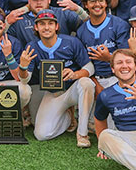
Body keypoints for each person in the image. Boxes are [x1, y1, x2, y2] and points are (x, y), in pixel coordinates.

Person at [26, 9, 96, 147]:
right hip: (52, 93)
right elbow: (25, 79)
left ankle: (82, 134)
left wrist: (75, 74)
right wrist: (22, 67)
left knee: (86, 83)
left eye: (50, 23)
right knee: (41, 134)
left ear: (57, 26)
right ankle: (68, 117)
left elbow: (90, 68)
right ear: (36, 27)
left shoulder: (71, 42)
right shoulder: (32, 47)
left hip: (73, 90)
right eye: (42, 24)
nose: (46, 27)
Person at [75, 0, 130, 92]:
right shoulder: (81, 31)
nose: (97, 4)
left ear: (106, 3)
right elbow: (84, 65)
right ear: (85, 5)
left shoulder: (119, 24)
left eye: (101, 0)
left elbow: (128, 59)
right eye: (92, 1)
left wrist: (109, 58)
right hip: (95, 81)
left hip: (119, 78)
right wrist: (96, 85)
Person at [6, 0, 84, 47]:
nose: (39, 2)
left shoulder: (63, 13)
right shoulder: (19, 20)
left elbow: (88, 25)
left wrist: (78, 9)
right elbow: (0, 38)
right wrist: (7, 23)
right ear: (29, 2)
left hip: (63, 59)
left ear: (49, 0)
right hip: (32, 61)